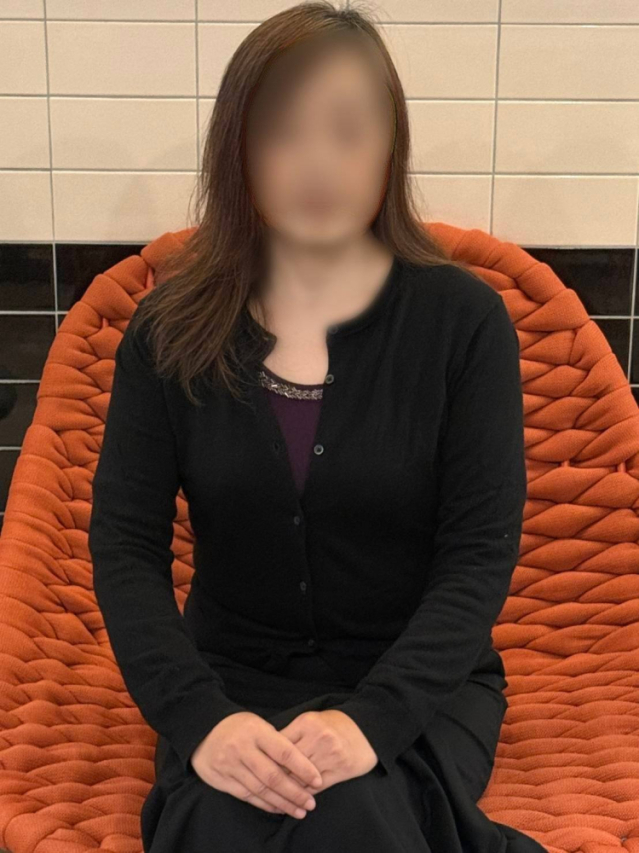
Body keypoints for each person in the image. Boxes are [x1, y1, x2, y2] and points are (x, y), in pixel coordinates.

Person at [88, 3, 549, 851]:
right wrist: (200, 720)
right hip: (230, 687)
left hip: (418, 687)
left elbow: (477, 556)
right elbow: (124, 547)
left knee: (349, 811)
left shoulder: (463, 323)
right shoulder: (168, 330)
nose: (318, 162)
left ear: (389, 148)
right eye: (283, 131)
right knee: (223, 818)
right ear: (238, 149)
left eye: (347, 131)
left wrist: (370, 722)